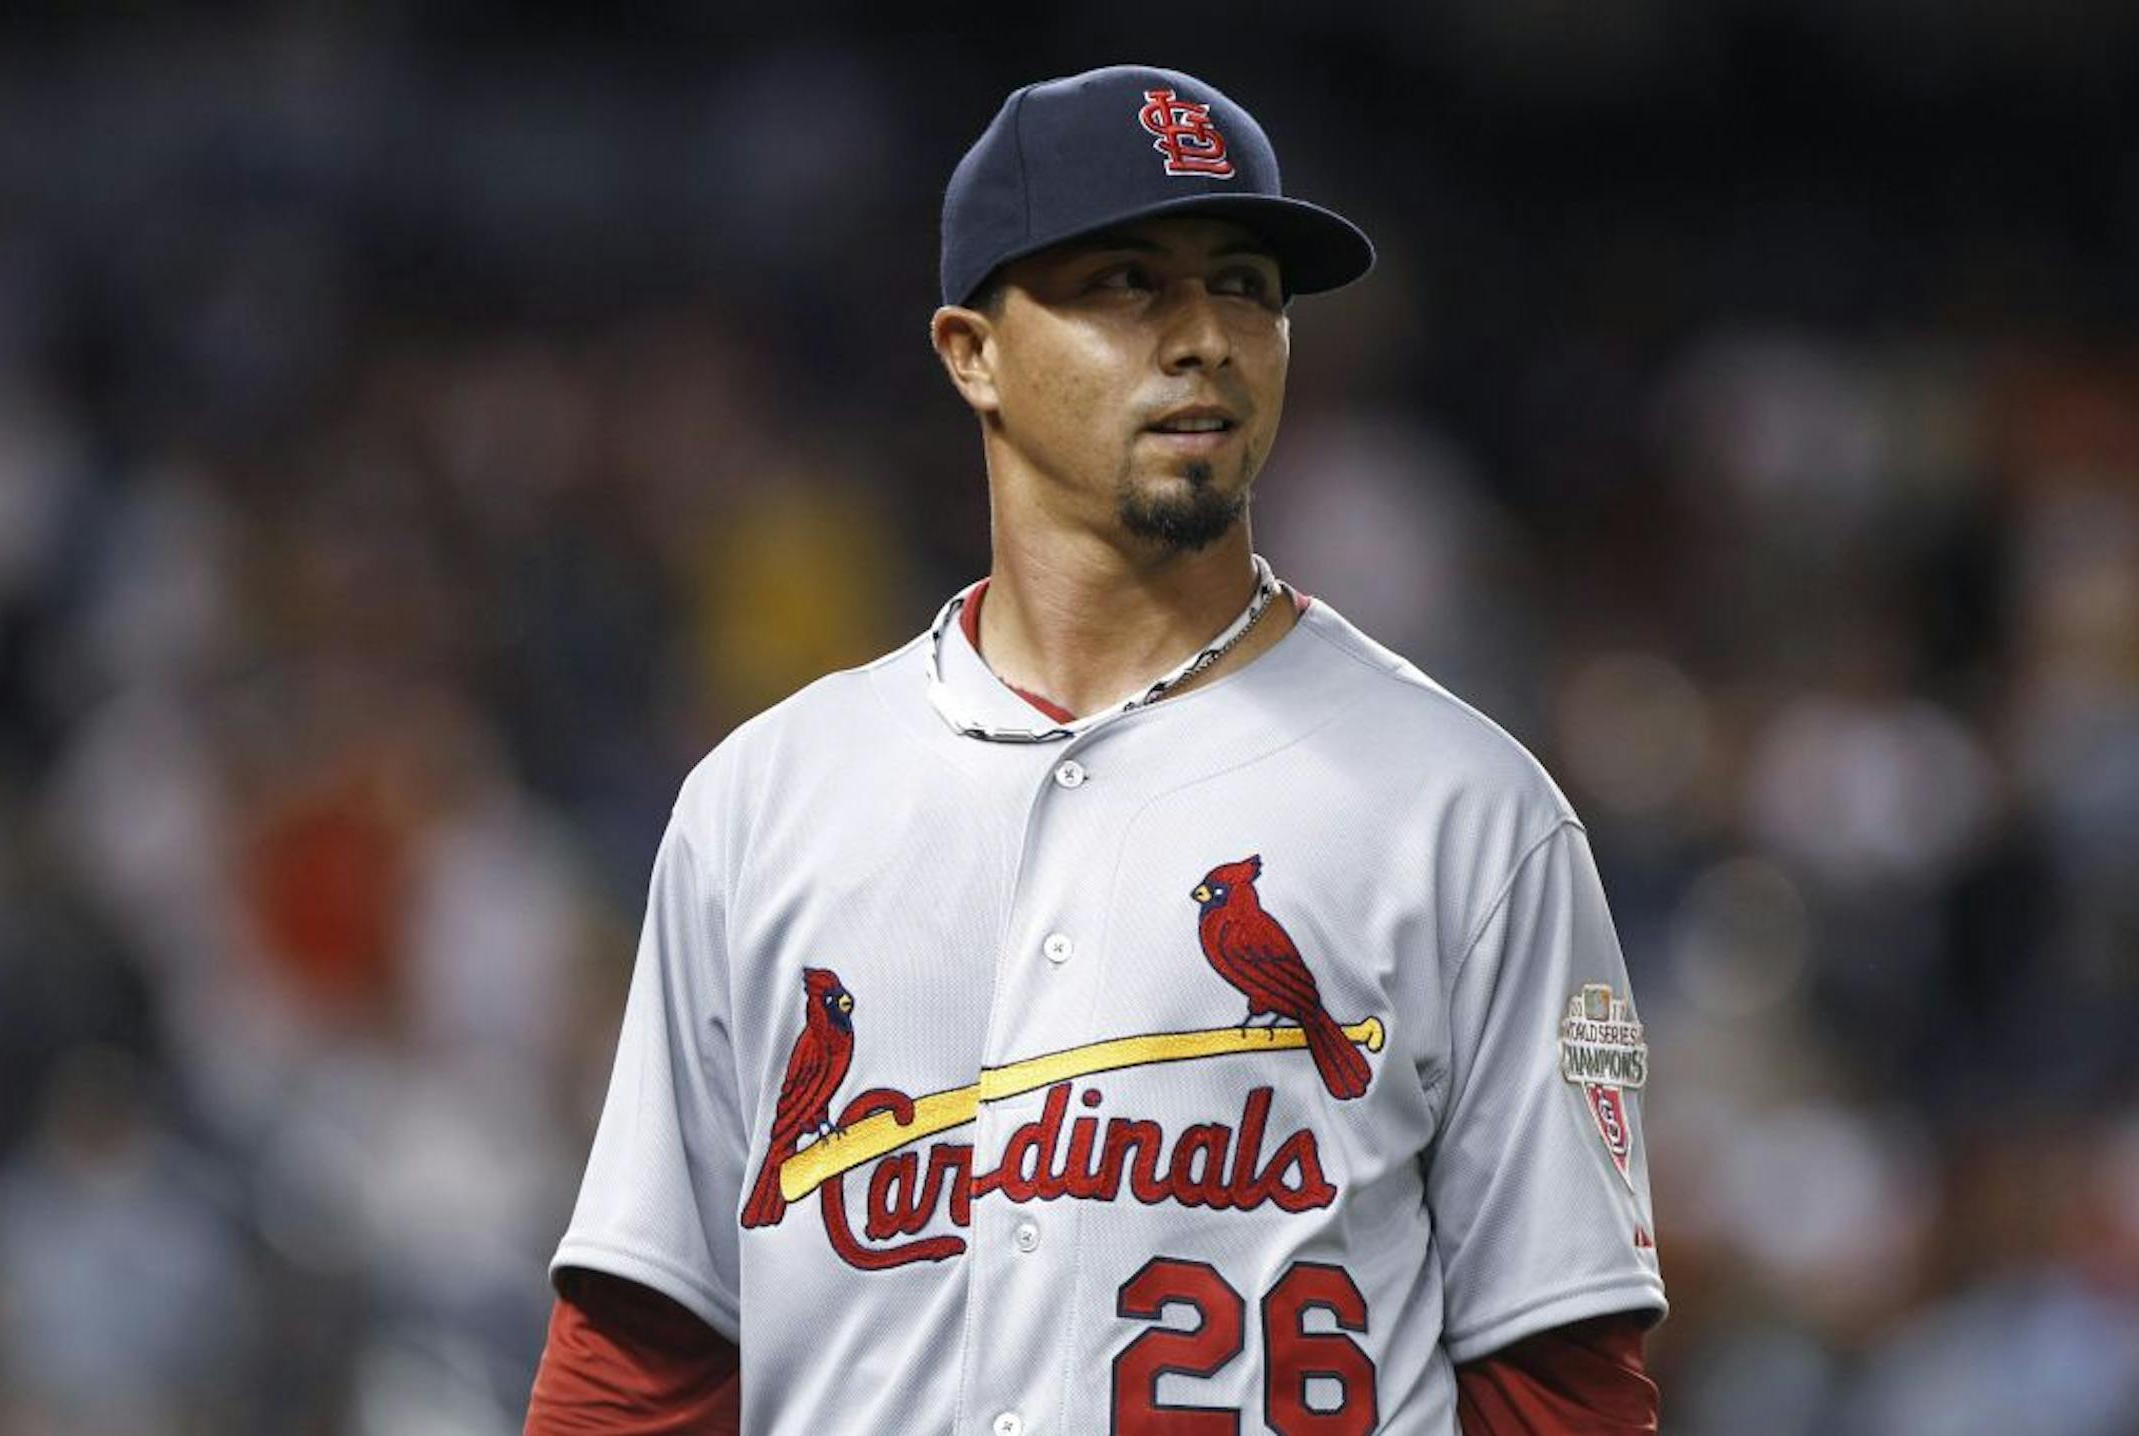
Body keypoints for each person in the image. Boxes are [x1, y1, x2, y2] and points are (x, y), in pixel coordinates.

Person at [526, 64, 1664, 1434]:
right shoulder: (766, 803)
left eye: (1245, 283)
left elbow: (1563, 1389)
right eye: (1128, 283)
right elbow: (644, 1360)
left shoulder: (1466, 814)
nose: (1205, 338)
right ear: (972, 352)